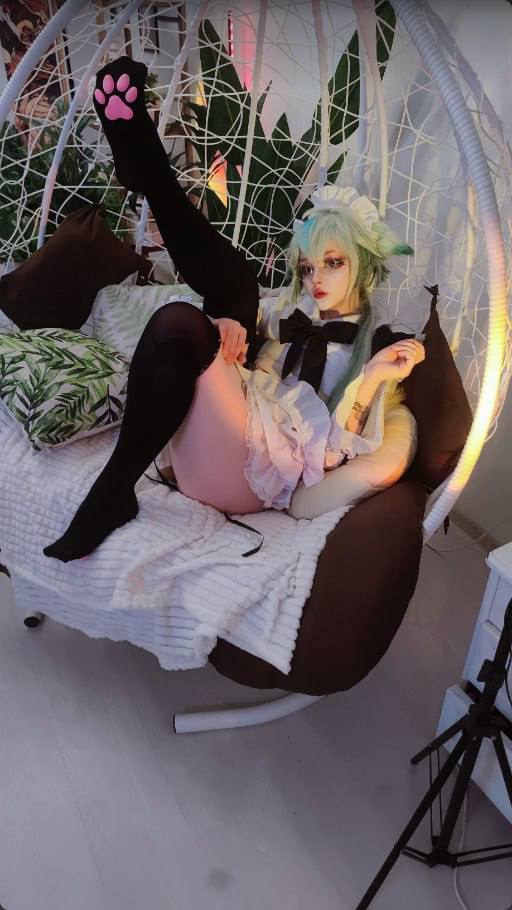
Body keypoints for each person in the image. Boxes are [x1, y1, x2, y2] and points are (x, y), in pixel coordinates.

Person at [43, 57, 424, 564]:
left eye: (333, 263)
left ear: (364, 266)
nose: (316, 279)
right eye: (307, 267)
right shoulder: (291, 312)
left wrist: (372, 377)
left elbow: (338, 452)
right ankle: (149, 174)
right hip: (231, 425)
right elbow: (237, 341)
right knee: (231, 294)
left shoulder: (373, 347)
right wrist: (223, 329)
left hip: (256, 473)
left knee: (190, 315)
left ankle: (111, 491)